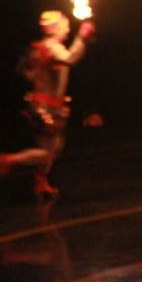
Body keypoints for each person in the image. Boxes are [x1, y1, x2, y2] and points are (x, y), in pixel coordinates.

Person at [0, 11, 94, 197]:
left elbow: (30, 73)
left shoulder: (47, 46)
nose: (68, 29)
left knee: (55, 147)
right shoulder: (53, 47)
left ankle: (40, 181)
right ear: (55, 28)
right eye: (65, 25)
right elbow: (70, 59)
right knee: (48, 152)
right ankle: (7, 160)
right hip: (46, 107)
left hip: (49, 105)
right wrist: (82, 37)